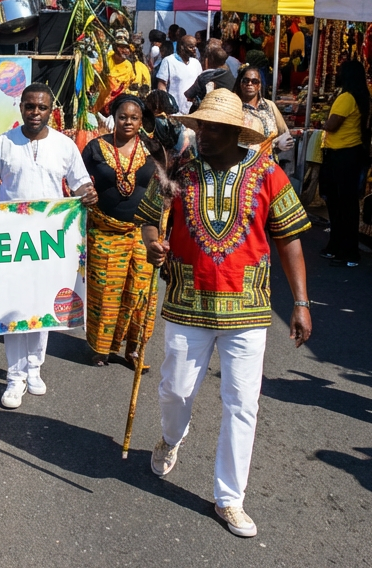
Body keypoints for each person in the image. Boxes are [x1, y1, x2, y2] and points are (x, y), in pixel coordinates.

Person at [139, 89, 311, 539]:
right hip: (187, 302)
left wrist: (300, 302)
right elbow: (149, 217)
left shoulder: (268, 173)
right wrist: (153, 243)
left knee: (242, 404)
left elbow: (289, 237)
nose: (203, 134)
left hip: (248, 308)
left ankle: (230, 498)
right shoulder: (179, 171)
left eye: (213, 128)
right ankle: (171, 437)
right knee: (175, 391)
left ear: (236, 132)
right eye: (200, 126)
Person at [0, 83, 97, 406]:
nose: (35, 113)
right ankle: (14, 377)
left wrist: (88, 194)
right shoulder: (2, 144)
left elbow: (80, 185)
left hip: (49, 245)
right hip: (11, 243)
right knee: (14, 306)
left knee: (42, 304)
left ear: (50, 111)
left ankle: (34, 369)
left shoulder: (64, 146)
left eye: (42, 107)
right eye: (29, 106)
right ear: (21, 108)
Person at [81, 94, 157, 367]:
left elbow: (165, 184)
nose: (128, 122)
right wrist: (84, 192)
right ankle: (101, 348)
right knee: (106, 293)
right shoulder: (95, 148)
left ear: (141, 121)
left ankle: (134, 349)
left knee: (140, 294)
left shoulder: (152, 149)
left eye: (134, 118)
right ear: (114, 117)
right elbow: (77, 180)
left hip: (143, 233)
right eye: (122, 116)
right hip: (105, 232)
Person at [319, 59, 370, 268]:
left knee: (339, 204)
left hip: (341, 155)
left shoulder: (346, 97)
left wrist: (324, 122)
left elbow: (331, 124)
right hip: (350, 154)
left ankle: (346, 250)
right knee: (344, 204)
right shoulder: (361, 97)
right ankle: (339, 247)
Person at [234, 64, 291, 160]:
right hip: (243, 163)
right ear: (240, 83)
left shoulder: (269, 105)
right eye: (246, 80)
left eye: (254, 81)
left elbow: (284, 133)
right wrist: (274, 144)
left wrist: (282, 142)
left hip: (269, 163)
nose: (249, 84)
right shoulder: (235, 107)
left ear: (259, 85)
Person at [94, 29, 151, 112]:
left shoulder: (129, 66)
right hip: (99, 103)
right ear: (114, 47)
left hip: (117, 106)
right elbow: (96, 76)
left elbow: (128, 87)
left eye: (127, 47)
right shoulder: (106, 58)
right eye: (121, 46)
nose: (125, 50)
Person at [155, 33, 202, 114]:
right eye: (191, 47)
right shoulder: (169, 61)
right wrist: (166, 106)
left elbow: (200, 85)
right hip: (174, 112)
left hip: (192, 112)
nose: (194, 49)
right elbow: (162, 85)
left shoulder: (196, 63)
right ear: (182, 47)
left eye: (195, 46)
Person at [184, 42, 237, 111]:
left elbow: (189, 96)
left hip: (206, 111)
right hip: (226, 110)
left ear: (211, 59)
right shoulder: (232, 76)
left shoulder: (205, 77)